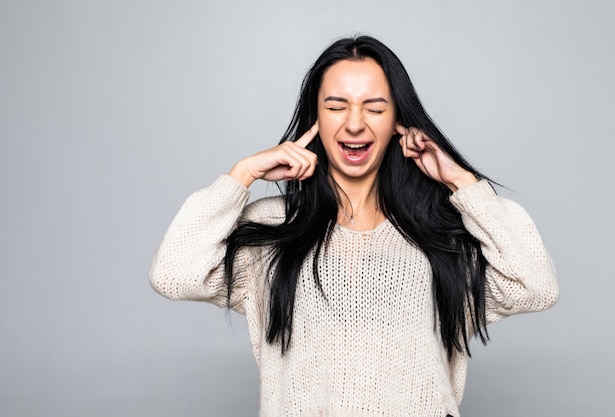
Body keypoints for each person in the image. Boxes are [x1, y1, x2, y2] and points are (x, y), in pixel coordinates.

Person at [149, 35, 559, 417]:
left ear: (398, 120)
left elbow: (535, 288)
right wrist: (241, 175)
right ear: (316, 117)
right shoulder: (275, 228)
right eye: (336, 106)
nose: (355, 123)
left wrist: (461, 183)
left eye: (375, 108)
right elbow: (174, 276)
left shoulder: (439, 235)